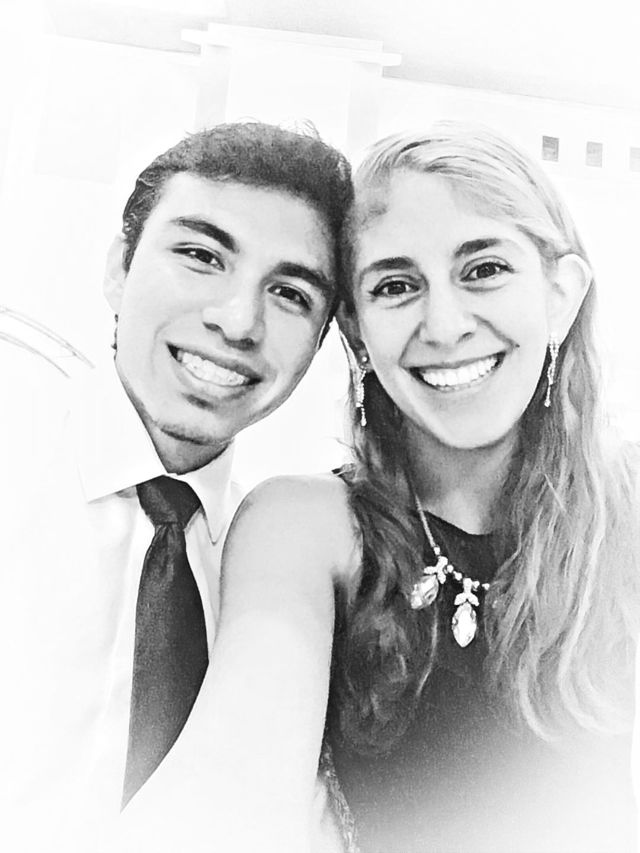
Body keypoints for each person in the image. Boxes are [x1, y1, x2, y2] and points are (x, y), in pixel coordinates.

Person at [204, 122, 640, 853]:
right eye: (397, 286)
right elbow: (229, 787)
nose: (443, 325)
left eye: (484, 270)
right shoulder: (306, 526)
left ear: (561, 294)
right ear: (356, 329)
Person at [0, 121, 352, 852]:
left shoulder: (279, 580)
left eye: (290, 293)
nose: (238, 321)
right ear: (118, 268)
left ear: (320, 343)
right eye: (200, 256)